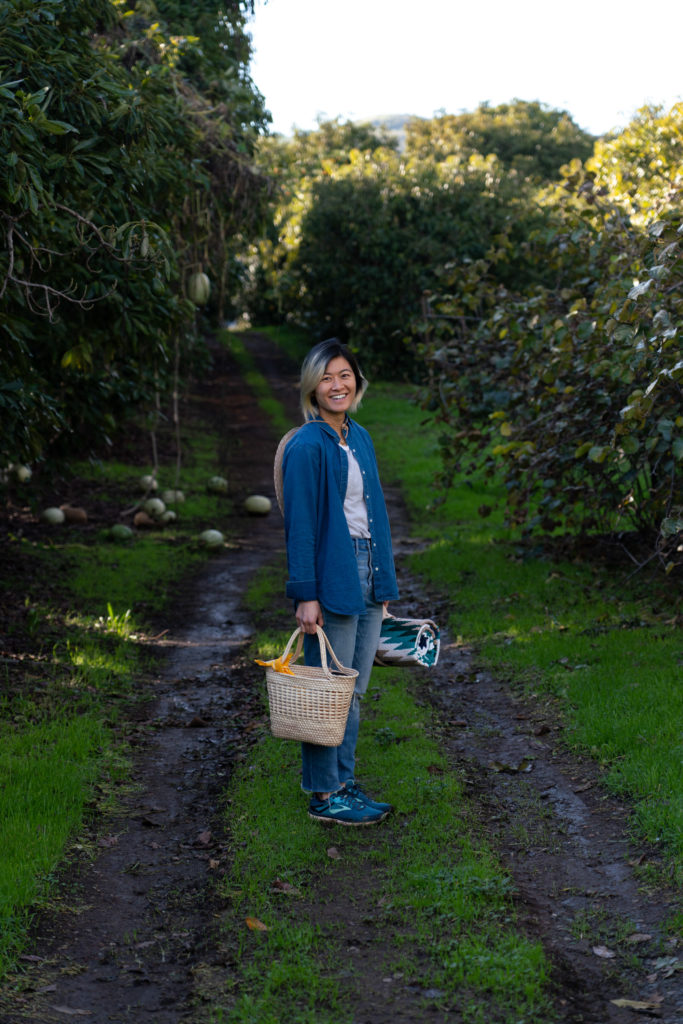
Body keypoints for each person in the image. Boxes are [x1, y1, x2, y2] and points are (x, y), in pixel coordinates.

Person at [281, 338, 399, 826]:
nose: (337, 385)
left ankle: (345, 784)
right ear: (313, 386)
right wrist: (306, 594)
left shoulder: (361, 437)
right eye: (327, 377)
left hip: (369, 567)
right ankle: (324, 795)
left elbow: (377, 516)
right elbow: (302, 526)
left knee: (353, 690)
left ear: (357, 381)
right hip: (335, 567)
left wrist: (385, 588)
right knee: (325, 688)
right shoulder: (307, 445)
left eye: (345, 375)